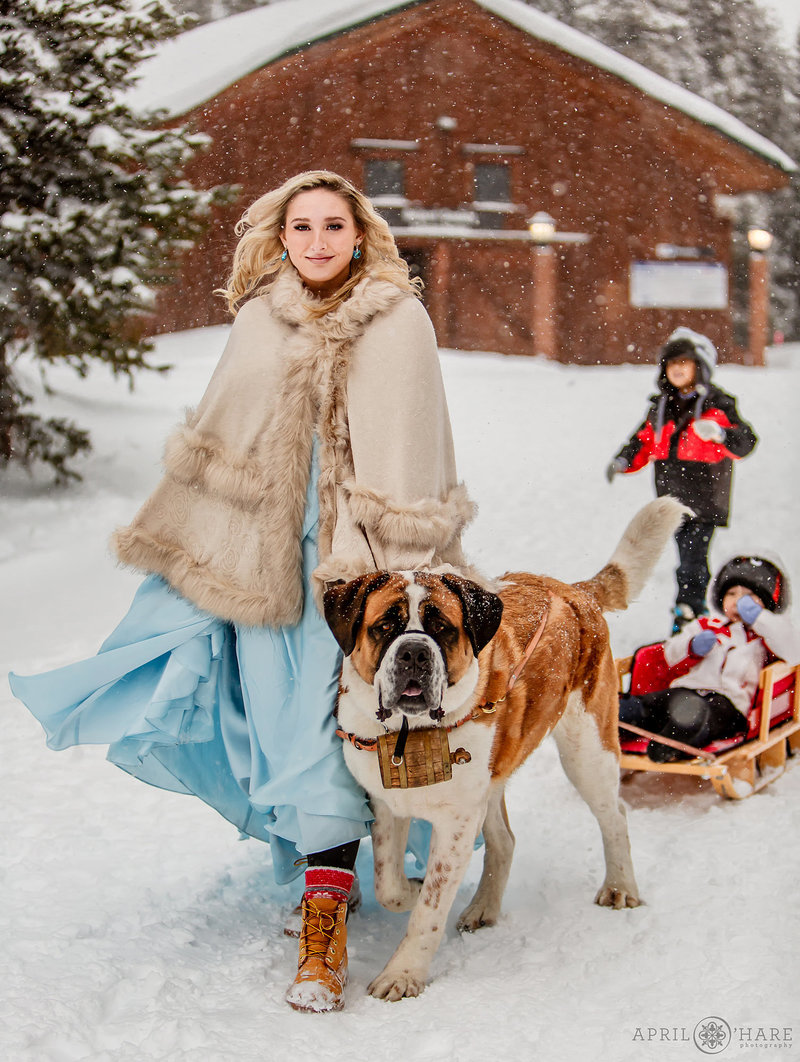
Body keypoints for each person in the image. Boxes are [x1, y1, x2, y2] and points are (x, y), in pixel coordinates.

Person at [9, 171, 478, 1013]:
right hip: (265, 571)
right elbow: (223, 438)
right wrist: (202, 548)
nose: (320, 240)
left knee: (345, 734)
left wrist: (399, 564)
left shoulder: (400, 321)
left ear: (360, 232)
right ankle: (321, 891)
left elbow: (415, 454)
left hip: (357, 578)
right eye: (303, 225)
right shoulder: (262, 319)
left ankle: (326, 926)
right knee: (286, 735)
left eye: (335, 224)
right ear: (282, 235)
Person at [606, 327, 757, 632]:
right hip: (672, 499)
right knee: (686, 557)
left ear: (699, 367)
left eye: (684, 363)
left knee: (691, 559)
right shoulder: (662, 407)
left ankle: (689, 611)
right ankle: (693, 608)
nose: (676, 369)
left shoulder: (718, 403)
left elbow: (746, 441)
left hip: (705, 499)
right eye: (671, 364)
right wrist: (622, 460)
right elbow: (641, 440)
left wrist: (721, 434)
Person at [618, 555, 800, 761]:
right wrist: (692, 646)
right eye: (732, 594)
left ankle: (670, 742)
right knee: (650, 705)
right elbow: (669, 654)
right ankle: (611, 718)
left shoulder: (763, 638)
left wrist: (760, 618)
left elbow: (792, 649)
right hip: (686, 692)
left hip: (729, 706)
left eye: (749, 595)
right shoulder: (706, 625)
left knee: (696, 716)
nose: (738, 601)